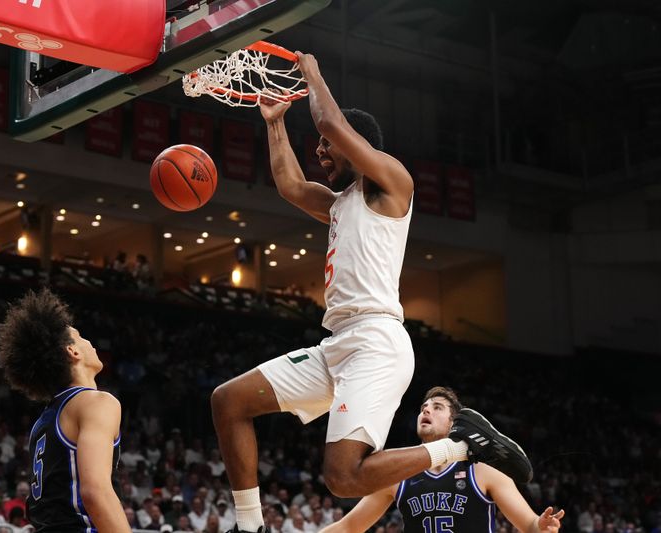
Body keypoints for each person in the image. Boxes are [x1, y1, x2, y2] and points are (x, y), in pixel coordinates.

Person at [210, 51, 532, 533]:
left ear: (355, 146)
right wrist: (275, 123)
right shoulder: (341, 204)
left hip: (377, 343)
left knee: (342, 478)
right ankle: (251, 525)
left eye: (325, 146)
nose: (319, 152)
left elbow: (334, 125)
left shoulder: (392, 184)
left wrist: (311, 74)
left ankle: (460, 446)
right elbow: (290, 186)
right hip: (338, 342)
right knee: (228, 401)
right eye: (318, 146)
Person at [321, 387, 565, 533]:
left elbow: (529, 524)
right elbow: (349, 527)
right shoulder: (397, 474)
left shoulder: (483, 470)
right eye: (423, 407)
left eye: (437, 407)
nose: (426, 410)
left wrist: (542, 527)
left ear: (454, 422)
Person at [0, 289, 131, 532]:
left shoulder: (43, 422)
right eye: (80, 337)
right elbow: (95, 492)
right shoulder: (96, 402)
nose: (89, 342)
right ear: (73, 351)